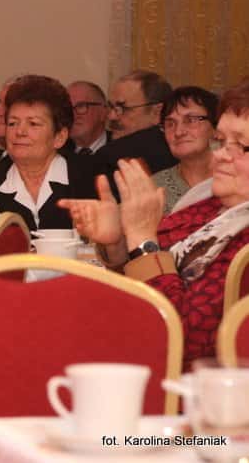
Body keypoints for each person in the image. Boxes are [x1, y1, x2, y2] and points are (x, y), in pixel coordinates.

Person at [59, 78, 249, 371]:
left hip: (181, 382)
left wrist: (142, 238)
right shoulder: (208, 204)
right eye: (222, 141)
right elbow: (143, 279)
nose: (220, 155)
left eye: (242, 146)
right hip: (133, 342)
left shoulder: (243, 244)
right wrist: (117, 243)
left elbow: (186, 339)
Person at [0, 75, 97, 231]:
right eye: (12, 123)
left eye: (33, 124)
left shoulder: (90, 178)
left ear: (59, 137)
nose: (20, 131)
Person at [96, 70, 176, 176]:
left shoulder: (112, 157)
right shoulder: (185, 150)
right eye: (111, 107)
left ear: (157, 112)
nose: (111, 116)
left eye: (122, 108)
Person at [153, 86, 218, 213]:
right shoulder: (154, 188)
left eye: (191, 120)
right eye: (170, 124)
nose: (178, 132)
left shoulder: (237, 178)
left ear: (215, 126)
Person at [65, 81, 109, 156]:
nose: (73, 115)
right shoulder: (55, 151)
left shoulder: (121, 149)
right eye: (68, 108)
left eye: (81, 106)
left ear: (103, 112)